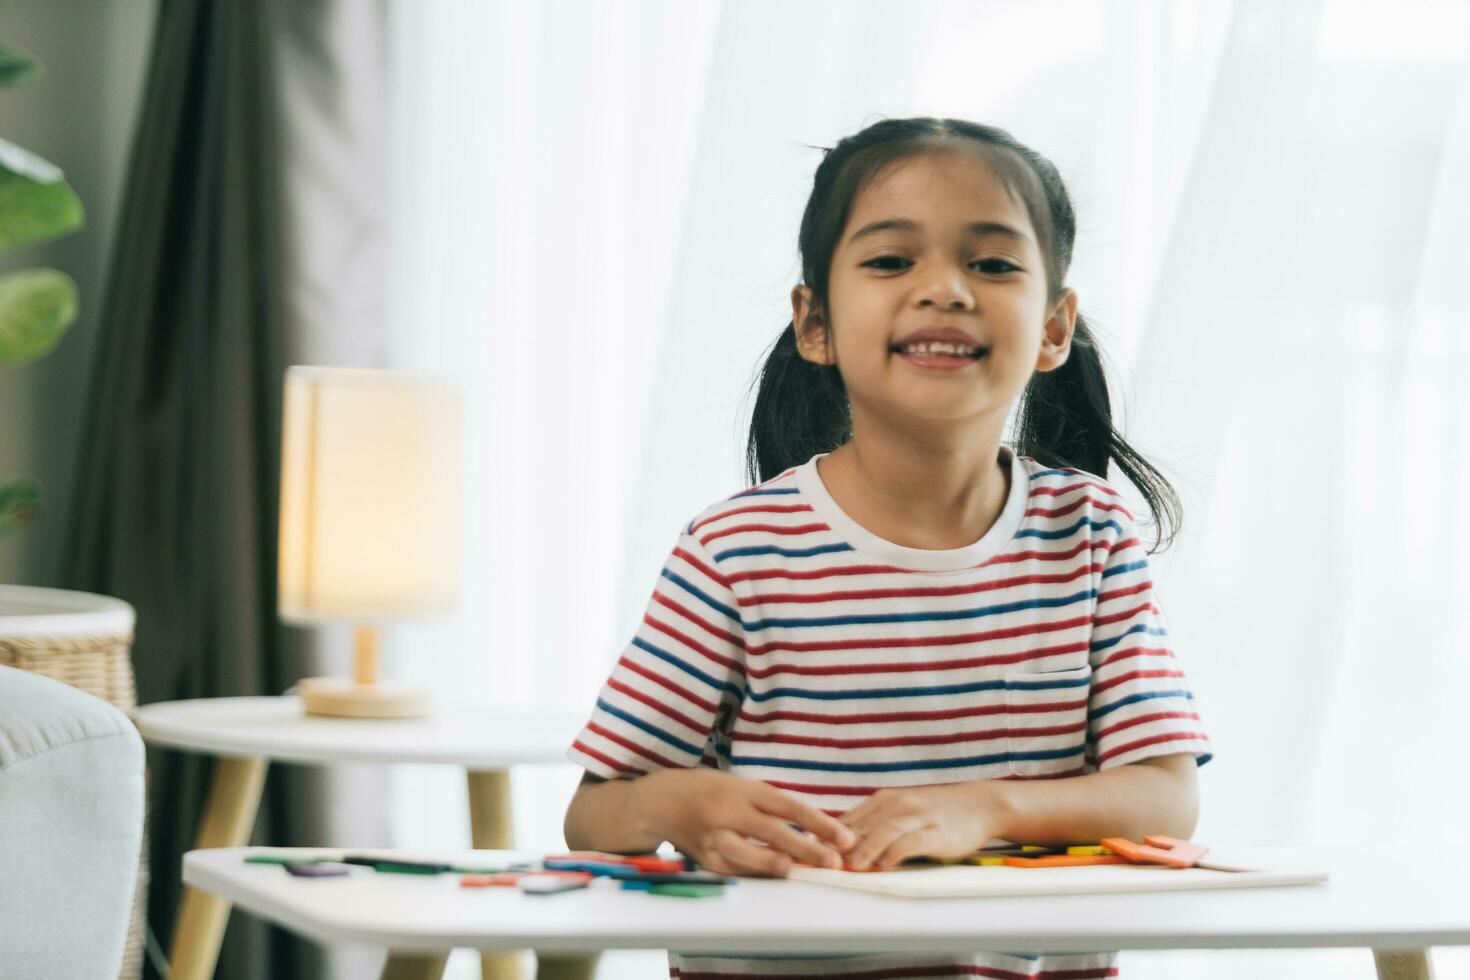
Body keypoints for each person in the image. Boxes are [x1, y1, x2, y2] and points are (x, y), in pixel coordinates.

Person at [562, 116, 1213, 979]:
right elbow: (593, 815)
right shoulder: (735, 551)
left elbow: (1165, 795)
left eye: (991, 263)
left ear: (1055, 327)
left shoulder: (1091, 536)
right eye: (890, 260)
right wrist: (685, 802)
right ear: (815, 321)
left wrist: (984, 809)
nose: (944, 288)